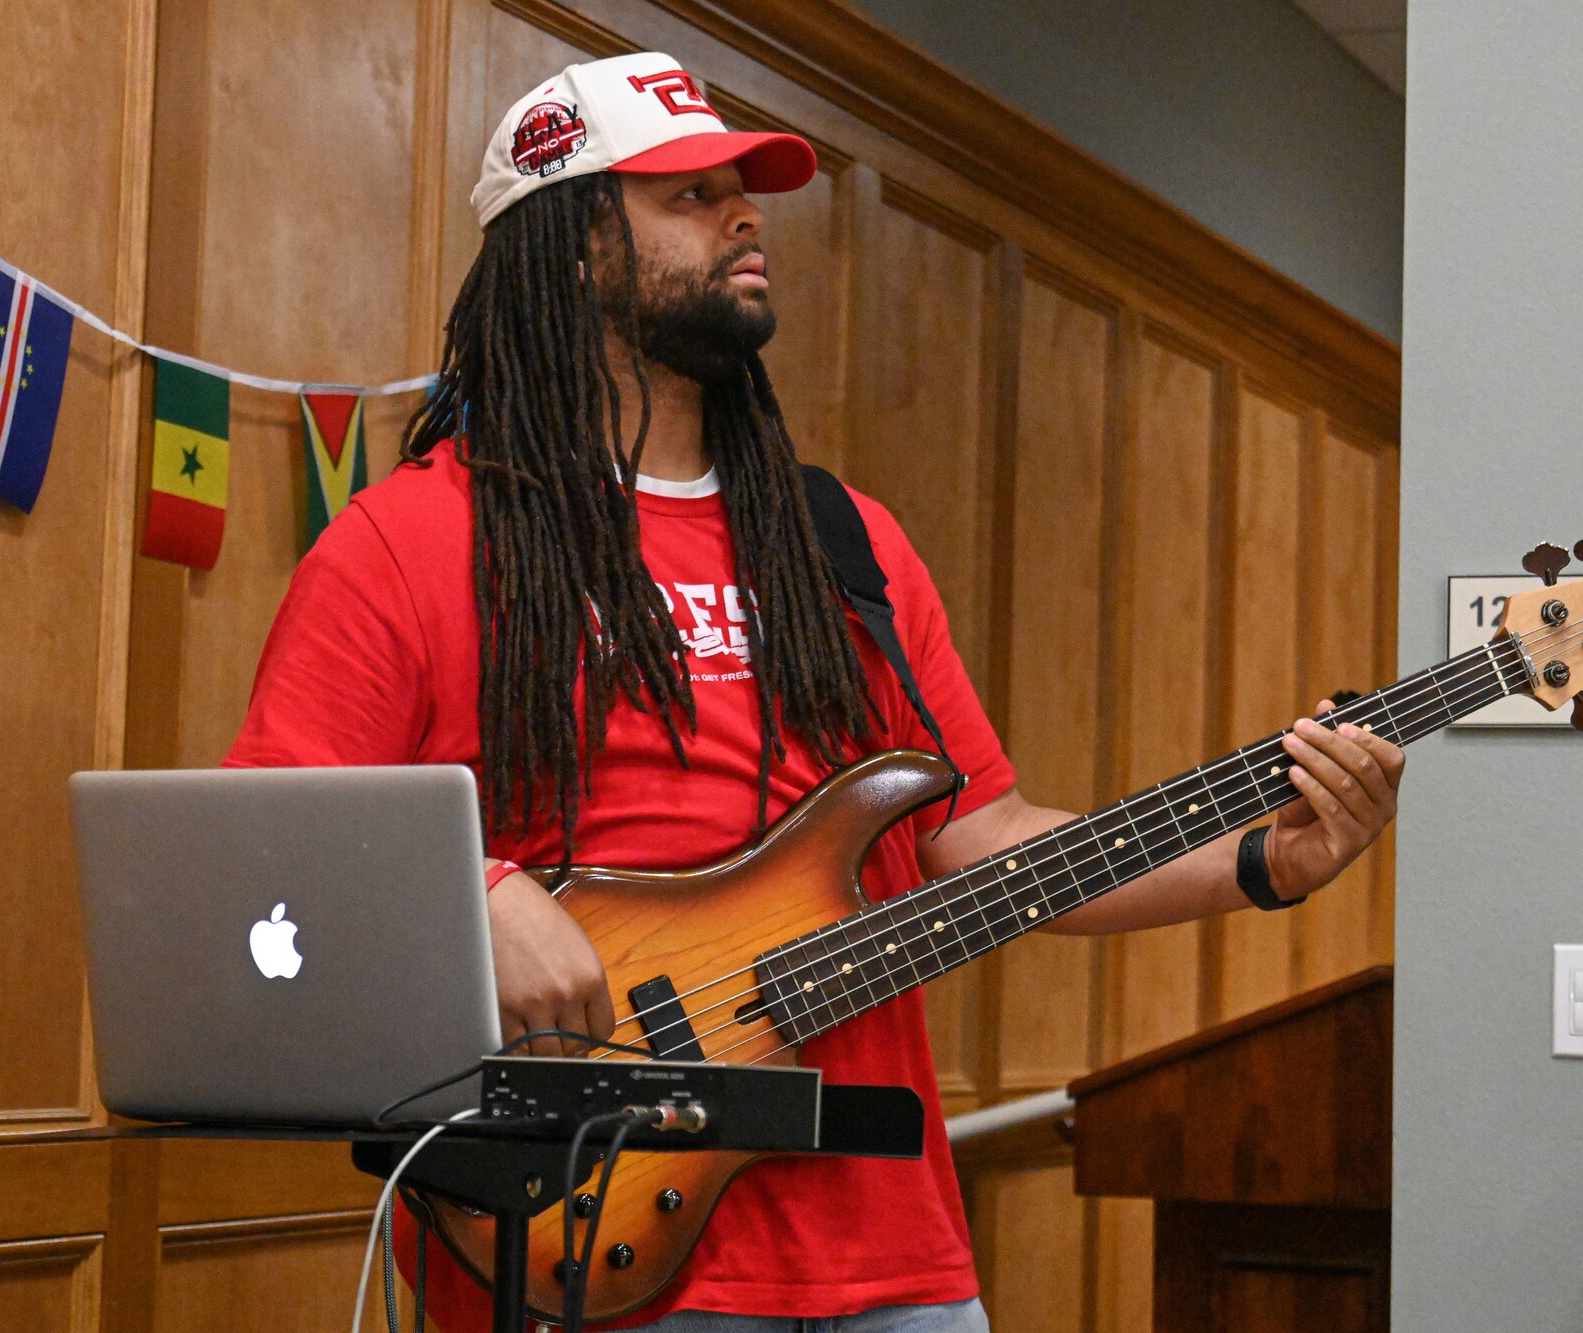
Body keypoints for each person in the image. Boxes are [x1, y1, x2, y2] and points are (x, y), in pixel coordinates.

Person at [225, 51, 1405, 1333]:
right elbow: (267, 845)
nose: (744, 216)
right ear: (571, 247)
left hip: (893, 1256)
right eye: (688, 195)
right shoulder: (411, 540)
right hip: (588, 1242)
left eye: (744, 189)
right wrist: (473, 891)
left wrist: (1261, 862)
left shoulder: (846, 544)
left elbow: (985, 843)